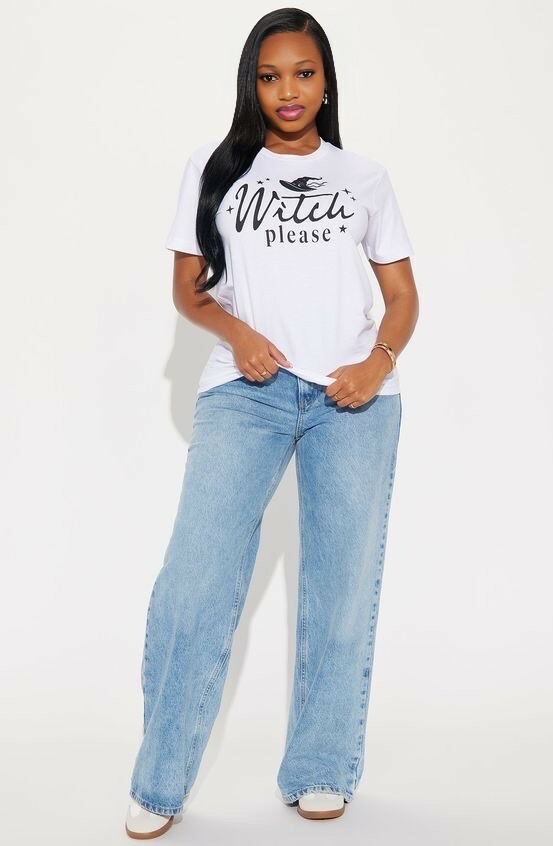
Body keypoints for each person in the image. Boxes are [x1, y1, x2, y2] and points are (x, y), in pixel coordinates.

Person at [125, 7, 419, 839]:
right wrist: (239, 333)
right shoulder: (215, 167)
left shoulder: (363, 177)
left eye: (304, 73)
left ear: (326, 83)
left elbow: (402, 295)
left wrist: (378, 363)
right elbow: (189, 289)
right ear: (251, 84)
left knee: (340, 591)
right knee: (195, 585)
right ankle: (159, 782)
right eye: (270, 75)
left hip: (352, 399)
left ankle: (322, 768)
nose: (288, 90)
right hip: (245, 391)